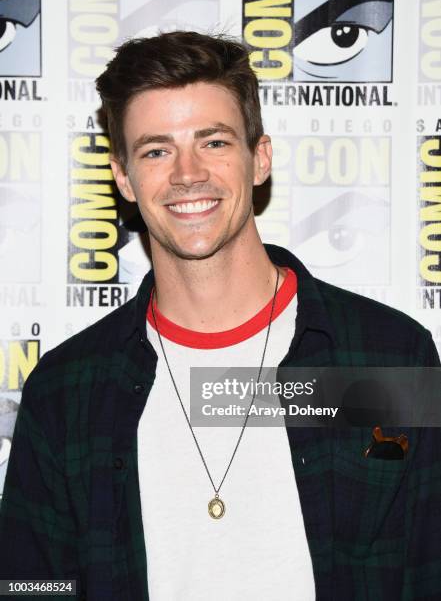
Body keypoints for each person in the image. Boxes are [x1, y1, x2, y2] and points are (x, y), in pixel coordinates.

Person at [0, 31, 440, 601]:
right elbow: (32, 587)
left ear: (260, 158)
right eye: (157, 150)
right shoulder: (68, 390)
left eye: (213, 142)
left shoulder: (386, 357)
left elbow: (428, 567)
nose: (188, 173)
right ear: (124, 177)